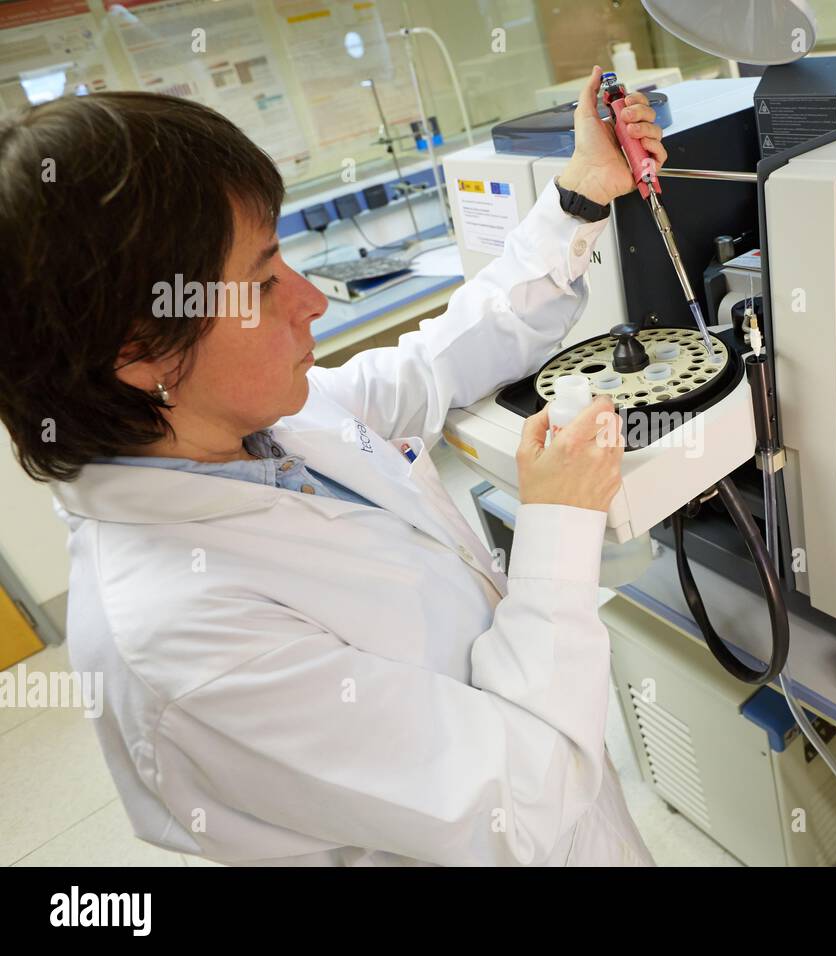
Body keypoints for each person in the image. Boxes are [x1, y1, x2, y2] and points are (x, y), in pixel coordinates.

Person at [0, 65, 666, 866]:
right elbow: (531, 798)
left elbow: (432, 365)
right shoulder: (185, 642)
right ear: (140, 351)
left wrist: (580, 197)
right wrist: (558, 530)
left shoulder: (258, 426)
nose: (312, 298)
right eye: (261, 278)